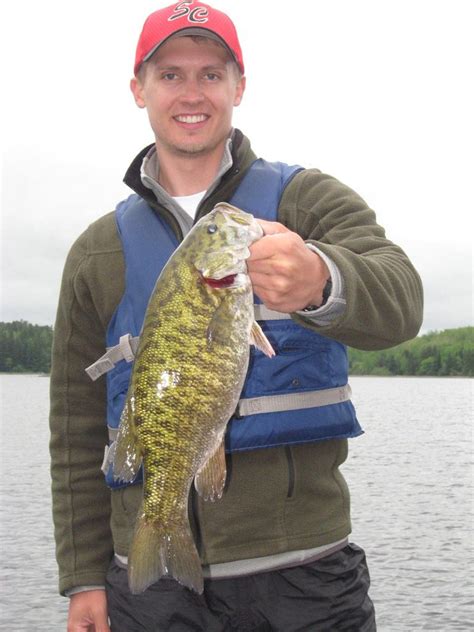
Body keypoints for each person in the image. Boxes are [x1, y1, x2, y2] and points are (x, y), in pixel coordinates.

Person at [50, 2, 423, 631]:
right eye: (170, 75)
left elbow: (404, 300)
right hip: (148, 590)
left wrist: (322, 279)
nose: (191, 93)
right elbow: (73, 423)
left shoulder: (307, 198)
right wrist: (83, 577)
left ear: (239, 86)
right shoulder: (96, 251)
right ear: (138, 89)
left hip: (303, 575)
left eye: (211, 74)